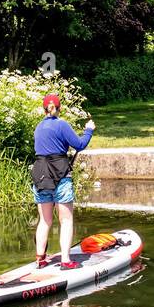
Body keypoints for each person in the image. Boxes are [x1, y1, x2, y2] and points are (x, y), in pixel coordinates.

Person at [31, 93, 95, 269]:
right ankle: (66, 261)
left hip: (40, 176)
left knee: (45, 220)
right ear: (59, 108)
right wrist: (89, 130)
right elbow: (80, 145)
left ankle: (40, 259)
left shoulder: (38, 127)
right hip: (60, 174)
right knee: (66, 220)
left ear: (43, 109)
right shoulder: (61, 124)